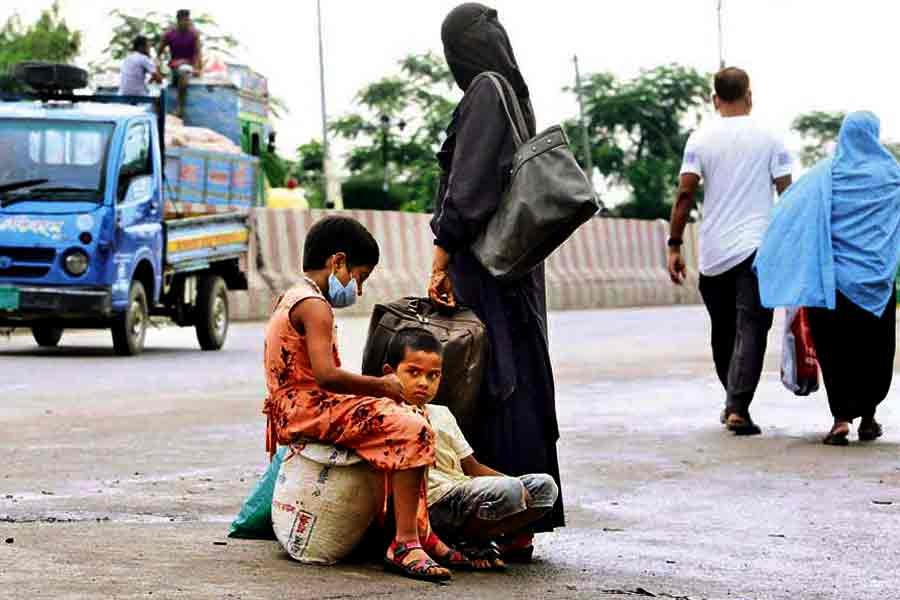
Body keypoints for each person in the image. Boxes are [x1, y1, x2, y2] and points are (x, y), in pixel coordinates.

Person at [428, 3, 565, 544]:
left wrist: (442, 251)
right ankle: (519, 518)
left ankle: (508, 520)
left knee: (495, 382)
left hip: (487, 268)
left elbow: (470, 187)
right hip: (515, 270)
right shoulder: (514, 94)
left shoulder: (485, 90)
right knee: (518, 379)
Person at [263, 216, 461, 582]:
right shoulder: (315, 305)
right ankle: (404, 542)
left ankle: (419, 529)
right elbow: (325, 376)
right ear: (337, 262)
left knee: (405, 415)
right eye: (360, 276)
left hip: (295, 408)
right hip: (307, 409)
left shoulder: (292, 296)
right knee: (412, 427)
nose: (358, 287)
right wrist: (382, 385)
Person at [754, 112, 900, 445]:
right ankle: (869, 417)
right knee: (874, 350)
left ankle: (840, 420)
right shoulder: (893, 175)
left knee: (836, 350)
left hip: (833, 283)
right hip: (877, 281)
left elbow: (788, 213)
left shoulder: (824, 175)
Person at [668, 67, 793, 435]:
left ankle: (734, 402)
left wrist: (674, 245)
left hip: (714, 251)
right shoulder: (771, 138)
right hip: (758, 248)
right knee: (751, 328)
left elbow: (685, 194)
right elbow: (787, 194)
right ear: (750, 96)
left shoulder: (700, 139)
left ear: (714, 99)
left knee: (724, 331)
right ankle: (736, 405)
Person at [383, 328, 560, 568]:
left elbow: (472, 467)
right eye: (413, 373)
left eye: (433, 376)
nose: (423, 383)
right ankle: (467, 540)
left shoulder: (442, 414)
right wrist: (511, 491)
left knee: (544, 488)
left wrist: (516, 488)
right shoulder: (386, 413)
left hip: (463, 489)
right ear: (390, 373)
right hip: (434, 503)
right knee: (510, 491)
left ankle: (474, 537)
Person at [158, 9, 202, 117]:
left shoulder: (194, 34)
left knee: (184, 71)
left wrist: (198, 68)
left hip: (188, 66)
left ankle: (180, 108)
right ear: (178, 20)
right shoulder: (169, 34)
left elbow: (198, 53)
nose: (186, 22)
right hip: (173, 66)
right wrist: (160, 67)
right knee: (162, 83)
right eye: (184, 20)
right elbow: (159, 52)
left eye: (188, 20)